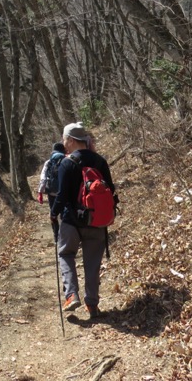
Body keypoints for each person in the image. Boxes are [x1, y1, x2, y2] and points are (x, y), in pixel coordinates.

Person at [50, 122, 116, 319]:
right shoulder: (100, 161)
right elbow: (111, 190)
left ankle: (71, 295)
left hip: (71, 221)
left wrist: (54, 213)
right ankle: (92, 305)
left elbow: (62, 195)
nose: (64, 144)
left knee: (66, 254)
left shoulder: (67, 163)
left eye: (64, 139)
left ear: (71, 140)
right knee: (93, 263)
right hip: (96, 220)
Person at [38, 142, 66, 243]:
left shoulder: (49, 162)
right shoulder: (66, 160)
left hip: (52, 193)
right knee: (64, 214)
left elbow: (43, 178)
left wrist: (40, 192)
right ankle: (64, 236)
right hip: (64, 193)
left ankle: (56, 236)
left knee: (53, 214)